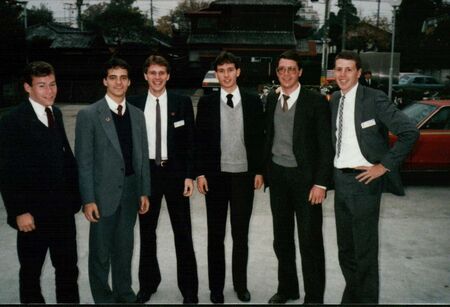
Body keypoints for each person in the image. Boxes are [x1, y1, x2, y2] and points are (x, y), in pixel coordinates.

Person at [331, 51, 419, 303]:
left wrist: (384, 166)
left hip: (364, 183)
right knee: (346, 250)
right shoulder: (335, 99)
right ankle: (352, 296)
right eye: (339, 69)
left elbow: (409, 132)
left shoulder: (374, 99)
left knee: (365, 252)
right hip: (340, 181)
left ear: (359, 73)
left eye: (349, 69)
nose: (343, 75)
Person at [0, 61, 81, 303]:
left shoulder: (54, 113)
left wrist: (76, 197)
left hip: (62, 212)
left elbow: (66, 158)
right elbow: (7, 171)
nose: (50, 91)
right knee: (31, 273)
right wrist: (19, 211)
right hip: (32, 215)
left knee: (68, 269)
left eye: (53, 84)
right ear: (28, 87)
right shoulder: (12, 121)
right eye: (42, 85)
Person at [75, 57, 150, 303]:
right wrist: (88, 199)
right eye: (113, 77)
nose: (118, 82)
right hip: (102, 194)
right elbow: (84, 162)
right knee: (100, 252)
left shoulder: (137, 115)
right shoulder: (89, 115)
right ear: (105, 81)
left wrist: (143, 191)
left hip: (130, 191)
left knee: (124, 248)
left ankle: (124, 292)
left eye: (123, 78)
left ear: (129, 82)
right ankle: (103, 298)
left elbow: (141, 157)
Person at [263, 50, 333, 304]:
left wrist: (321, 183)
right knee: (281, 240)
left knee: (309, 241)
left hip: (306, 182)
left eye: (291, 69)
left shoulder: (315, 102)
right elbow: (268, 137)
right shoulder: (272, 99)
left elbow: (326, 147)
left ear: (300, 72)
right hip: (278, 178)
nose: (286, 73)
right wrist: (264, 172)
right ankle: (288, 289)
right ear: (277, 72)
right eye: (282, 69)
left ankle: (314, 297)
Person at [195, 51, 265, 304]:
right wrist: (200, 173)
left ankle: (241, 285)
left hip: (243, 177)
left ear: (238, 72)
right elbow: (199, 142)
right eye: (221, 71)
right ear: (217, 74)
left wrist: (259, 171)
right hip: (215, 177)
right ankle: (216, 288)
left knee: (240, 235)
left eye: (230, 70)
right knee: (216, 236)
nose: (226, 75)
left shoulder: (253, 101)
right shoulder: (207, 103)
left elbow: (260, 138)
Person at [128, 55, 198, 304]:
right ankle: (147, 284)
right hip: (147, 174)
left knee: (183, 233)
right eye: (152, 73)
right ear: (145, 76)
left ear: (168, 76)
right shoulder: (133, 104)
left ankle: (189, 290)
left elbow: (191, 142)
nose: (157, 77)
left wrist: (190, 175)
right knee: (147, 233)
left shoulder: (182, 102)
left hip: (176, 174)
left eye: (162, 73)